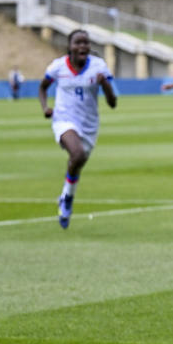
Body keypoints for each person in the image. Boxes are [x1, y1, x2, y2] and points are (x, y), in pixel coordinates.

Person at [37, 30, 117, 229]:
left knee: (77, 162)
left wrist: (104, 84)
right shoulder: (58, 66)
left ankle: (66, 196)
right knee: (77, 154)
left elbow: (113, 102)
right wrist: (45, 107)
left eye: (86, 43)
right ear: (69, 46)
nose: (82, 46)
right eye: (78, 42)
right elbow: (42, 87)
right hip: (63, 120)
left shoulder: (98, 67)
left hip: (89, 125)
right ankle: (67, 199)